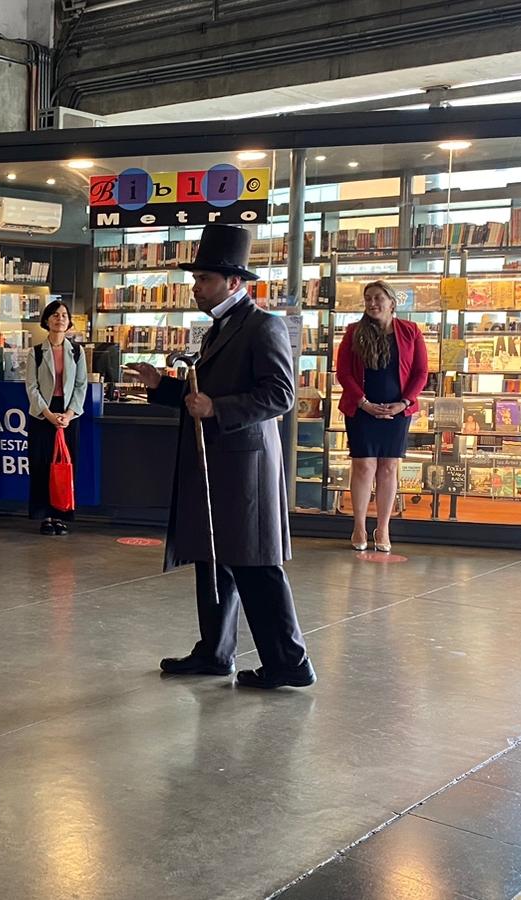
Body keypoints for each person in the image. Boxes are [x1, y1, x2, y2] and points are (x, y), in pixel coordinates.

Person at [125, 224, 315, 689]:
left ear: (234, 282)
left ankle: (290, 662)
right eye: (196, 279)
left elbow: (280, 395)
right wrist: (163, 388)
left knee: (255, 566)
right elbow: (202, 395)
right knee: (214, 560)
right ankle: (215, 651)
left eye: (204, 279)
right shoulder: (218, 329)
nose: (195, 287)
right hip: (217, 464)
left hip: (244, 466)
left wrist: (217, 408)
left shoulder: (263, 326)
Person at [336, 280, 428, 553]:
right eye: (368, 299)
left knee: (389, 468)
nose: (372, 304)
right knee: (364, 467)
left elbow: (421, 373)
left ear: (392, 303)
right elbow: (344, 373)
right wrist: (363, 403)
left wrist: (404, 402)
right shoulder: (354, 332)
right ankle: (360, 525)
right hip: (361, 409)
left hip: (397, 411)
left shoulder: (411, 331)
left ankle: (384, 527)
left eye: (378, 298)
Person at [26, 300, 88, 535]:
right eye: (54, 315)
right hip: (44, 413)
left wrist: (69, 414)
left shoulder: (77, 351)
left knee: (65, 466)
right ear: (47, 320)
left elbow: (81, 385)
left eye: (64, 315)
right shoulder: (36, 352)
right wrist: (48, 414)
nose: (60, 318)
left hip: (69, 413)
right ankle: (45, 516)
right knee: (42, 464)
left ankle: (62, 514)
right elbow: (31, 387)